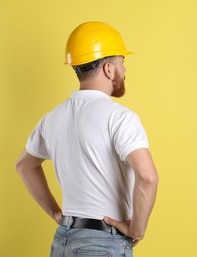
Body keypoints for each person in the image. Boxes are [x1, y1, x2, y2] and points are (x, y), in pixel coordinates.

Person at [15, 21, 159, 256]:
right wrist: (137, 230)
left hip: (63, 240)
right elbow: (148, 177)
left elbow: (24, 165)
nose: (124, 70)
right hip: (102, 244)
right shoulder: (120, 117)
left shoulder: (52, 118)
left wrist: (55, 213)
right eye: (122, 62)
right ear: (109, 69)